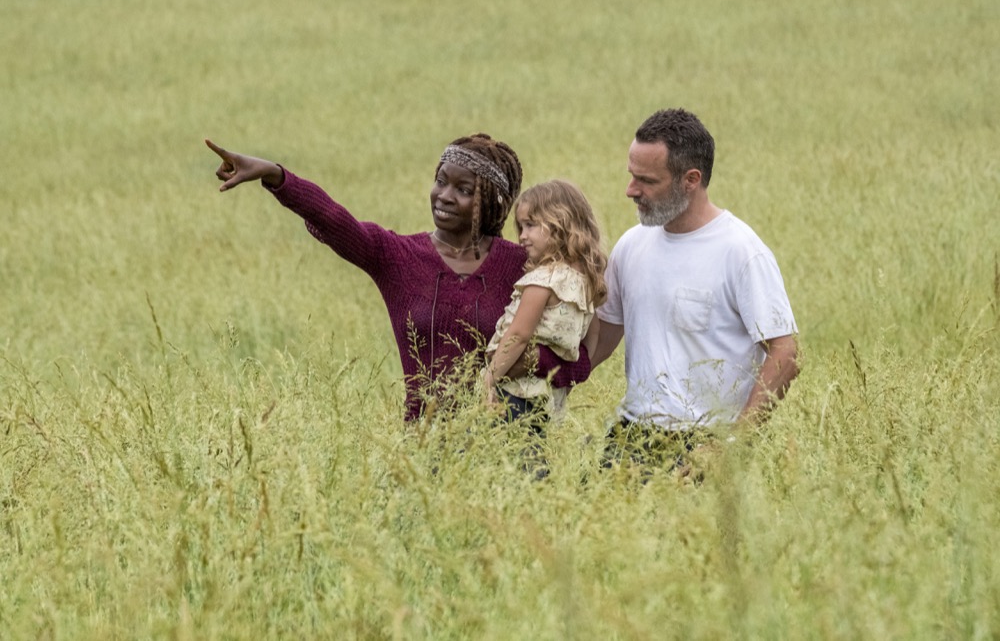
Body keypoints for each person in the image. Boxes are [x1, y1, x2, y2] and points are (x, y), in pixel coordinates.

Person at [205, 135, 591, 421]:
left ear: (490, 201)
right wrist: (275, 176)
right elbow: (335, 220)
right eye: (441, 181)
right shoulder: (398, 257)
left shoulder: (523, 266)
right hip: (423, 444)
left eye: (463, 189)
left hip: (507, 439)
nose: (444, 195)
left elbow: (576, 354)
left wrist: (528, 360)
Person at [590, 108, 799, 468]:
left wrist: (731, 445)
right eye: (631, 176)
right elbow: (600, 342)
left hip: (707, 442)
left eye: (646, 181)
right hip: (630, 438)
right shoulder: (630, 246)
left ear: (691, 179)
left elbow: (785, 353)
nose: (630, 190)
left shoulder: (741, 252)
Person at [483, 180, 607, 427]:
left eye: (530, 225)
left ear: (561, 224)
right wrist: (568, 382)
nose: (522, 236)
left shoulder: (543, 280)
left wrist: (489, 380)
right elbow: (592, 336)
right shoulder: (587, 283)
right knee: (536, 460)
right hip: (549, 398)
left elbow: (518, 334)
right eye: (521, 227)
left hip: (515, 392)